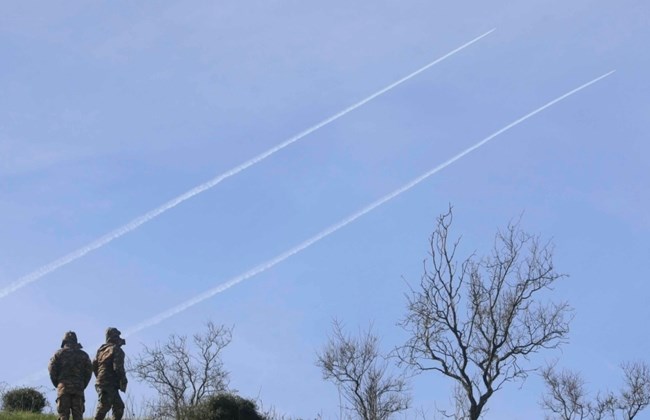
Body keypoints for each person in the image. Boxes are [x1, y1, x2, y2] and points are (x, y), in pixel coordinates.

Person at [48, 331, 93, 420]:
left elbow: (51, 370)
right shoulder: (83, 355)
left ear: (64, 342)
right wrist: (82, 384)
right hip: (78, 389)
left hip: (63, 388)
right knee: (78, 416)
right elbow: (88, 372)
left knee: (63, 415)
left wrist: (58, 383)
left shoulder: (58, 354)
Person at [93, 327, 128, 420]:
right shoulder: (116, 350)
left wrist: (100, 377)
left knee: (118, 406)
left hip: (104, 383)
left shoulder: (101, 350)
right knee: (104, 406)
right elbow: (118, 367)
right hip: (109, 383)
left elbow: (94, 365)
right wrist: (123, 380)